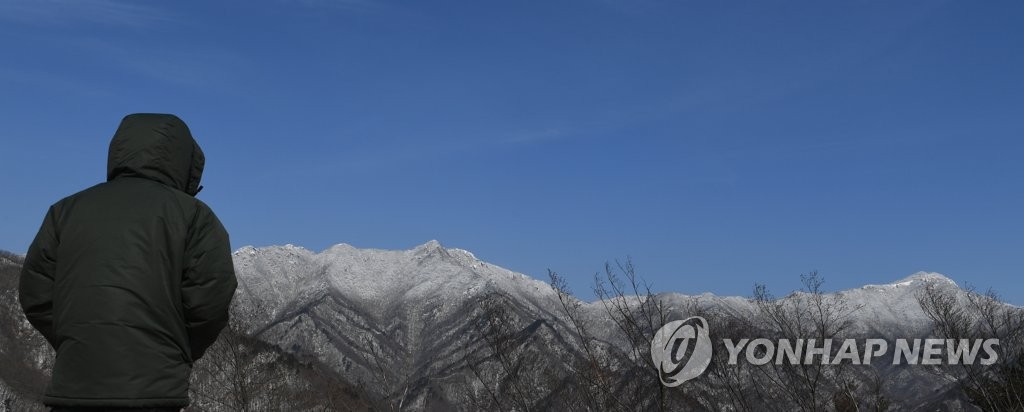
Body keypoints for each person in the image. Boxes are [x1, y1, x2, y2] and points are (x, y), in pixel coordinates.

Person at [18, 113, 238, 411]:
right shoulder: (194, 216)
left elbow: (36, 294)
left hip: (74, 390)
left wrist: (78, 339)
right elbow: (210, 301)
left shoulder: (66, 211)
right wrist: (176, 350)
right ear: (186, 162)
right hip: (154, 394)